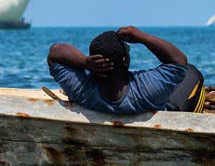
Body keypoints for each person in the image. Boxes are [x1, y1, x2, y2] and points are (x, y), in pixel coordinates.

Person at [47, 26, 205, 114]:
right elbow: (180, 61)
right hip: (158, 110)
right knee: (193, 73)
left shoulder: (83, 90)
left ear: (94, 61)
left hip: (98, 101)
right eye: (127, 50)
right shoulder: (147, 89)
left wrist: (83, 62)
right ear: (125, 61)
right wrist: (142, 37)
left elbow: (55, 52)